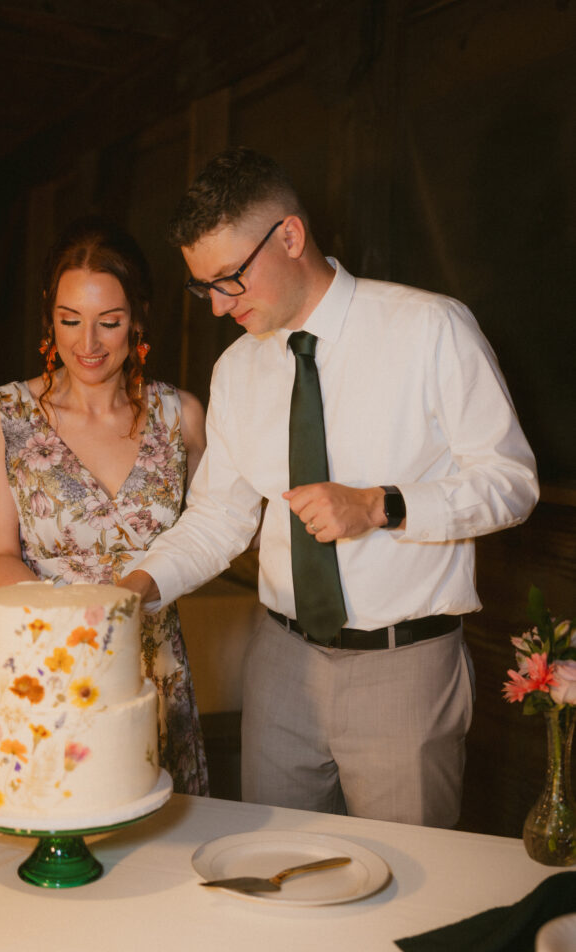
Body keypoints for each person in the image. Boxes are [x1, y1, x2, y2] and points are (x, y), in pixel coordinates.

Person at [121, 147, 539, 826]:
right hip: (280, 662)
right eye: (205, 289)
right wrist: (135, 589)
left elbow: (511, 482)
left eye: (229, 279)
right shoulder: (234, 372)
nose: (221, 306)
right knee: (272, 870)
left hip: (403, 669)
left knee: (408, 889)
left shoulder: (429, 329)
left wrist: (382, 504)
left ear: (289, 236)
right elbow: (217, 519)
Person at [0, 216, 209, 795]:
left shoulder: (183, 417)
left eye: (110, 322)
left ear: (139, 320)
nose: (88, 344)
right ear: (50, 318)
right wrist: (76, 633)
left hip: (154, 672)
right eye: (70, 320)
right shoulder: (0, 417)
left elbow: (212, 533)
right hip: (49, 663)